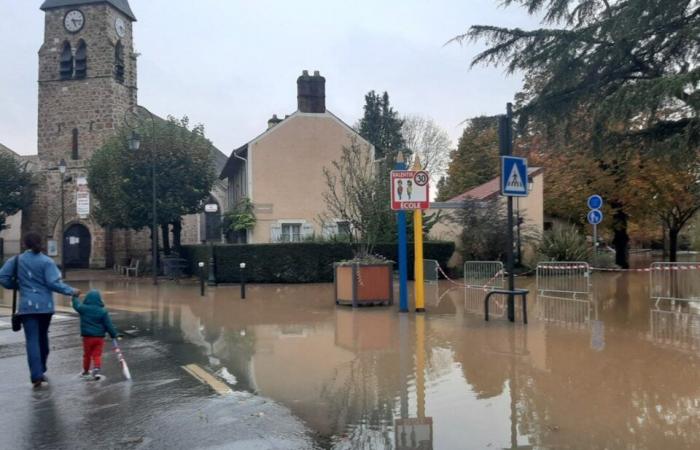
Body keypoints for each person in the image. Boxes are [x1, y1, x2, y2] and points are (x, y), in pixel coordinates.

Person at [0, 232, 80, 388]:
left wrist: (17, 285)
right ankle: (41, 368)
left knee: (32, 341)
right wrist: (71, 291)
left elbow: (3, 277)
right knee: (43, 338)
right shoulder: (47, 262)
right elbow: (53, 283)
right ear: (40, 243)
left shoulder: (16, 260)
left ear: (25, 244)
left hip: (27, 308)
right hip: (45, 307)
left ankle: (36, 375)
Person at [72, 290, 118, 380]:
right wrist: (113, 334)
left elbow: (76, 305)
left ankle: (86, 371)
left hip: (87, 338)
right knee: (97, 355)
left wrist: (74, 297)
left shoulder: (83, 308)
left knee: (87, 355)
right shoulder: (102, 311)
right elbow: (108, 325)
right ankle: (96, 369)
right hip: (99, 338)